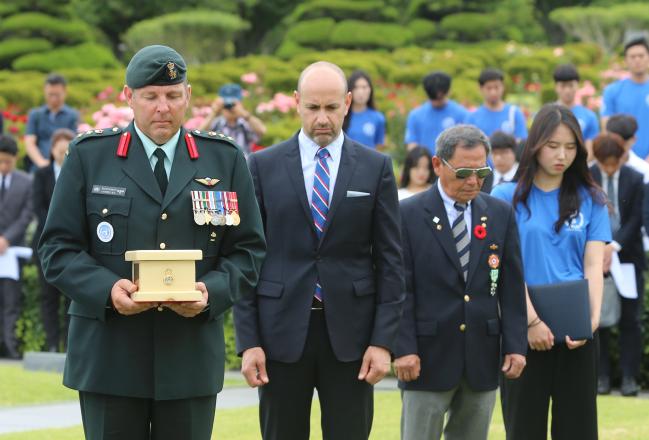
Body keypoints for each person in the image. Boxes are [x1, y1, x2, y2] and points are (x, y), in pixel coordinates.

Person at [38, 45, 266, 440]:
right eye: (151, 96)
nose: (163, 107)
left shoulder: (223, 159)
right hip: (109, 357)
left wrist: (208, 292)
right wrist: (107, 289)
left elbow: (248, 251)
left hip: (188, 360)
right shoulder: (89, 156)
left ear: (188, 96)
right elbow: (57, 249)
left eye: (173, 96)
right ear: (128, 96)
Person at [233, 61, 404, 440]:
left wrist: (382, 341)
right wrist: (249, 342)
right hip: (280, 334)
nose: (322, 118)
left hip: (353, 338)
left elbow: (392, 261)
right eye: (313, 108)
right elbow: (246, 257)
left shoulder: (376, 168)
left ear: (347, 103)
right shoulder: (262, 165)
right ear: (297, 103)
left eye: (331, 108)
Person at [395, 125, 527, 440]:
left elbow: (510, 286)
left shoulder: (499, 213)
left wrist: (515, 345)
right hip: (425, 357)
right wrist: (403, 348)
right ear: (438, 165)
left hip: (482, 356)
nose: (473, 181)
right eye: (464, 171)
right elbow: (400, 288)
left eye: (481, 171)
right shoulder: (407, 214)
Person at [492, 104, 609, 440]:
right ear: (534, 145)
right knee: (524, 426)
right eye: (553, 146)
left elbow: (592, 264)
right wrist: (531, 322)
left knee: (578, 426)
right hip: (522, 328)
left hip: (578, 330)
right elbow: (501, 269)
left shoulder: (591, 199)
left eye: (571, 147)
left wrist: (590, 322)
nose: (562, 155)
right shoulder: (505, 198)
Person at [590, 133, 645, 397]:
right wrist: (599, 247)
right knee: (596, 320)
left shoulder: (635, 178)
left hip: (628, 258)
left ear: (622, 157)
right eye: (605, 163)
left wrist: (614, 246)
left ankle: (629, 377)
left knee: (630, 320)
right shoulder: (587, 177)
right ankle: (600, 377)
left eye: (614, 163)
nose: (609, 169)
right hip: (593, 257)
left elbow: (637, 219)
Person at [33, 128, 75, 352]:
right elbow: (37, 206)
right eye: (60, 151)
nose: (63, 154)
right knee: (48, 297)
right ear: (52, 151)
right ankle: (51, 344)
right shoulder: (42, 174)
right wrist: (55, 225)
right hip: (45, 243)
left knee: (71, 298)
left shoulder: (78, 172)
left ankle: (68, 344)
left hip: (73, 245)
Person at [0, 135, 33, 359]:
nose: (3, 166)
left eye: (7, 162)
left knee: (11, 301)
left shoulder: (26, 182)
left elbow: (26, 216)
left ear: (15, 159)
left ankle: (9, 347)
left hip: (11, 252)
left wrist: (6, 239)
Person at [601, 37, 649, 160]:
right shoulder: (612, 91)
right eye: (632, 57)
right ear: (626, 61)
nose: (637, 60)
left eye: (641, 56)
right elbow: (607, 127)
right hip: (622, 160)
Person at [405, 71, 469, 154]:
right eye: (434, 99)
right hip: (426, 165)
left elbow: (467, 144)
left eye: (441, 98)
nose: (437, 102)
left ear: (449, 91)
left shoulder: (462, 114)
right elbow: (411, 144)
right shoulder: (415, 115)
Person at [24, 74, 78, 171]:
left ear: (65, 92)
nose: (53, 98)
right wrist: (42, 163)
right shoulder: (35, 114)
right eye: (50, 94)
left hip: (65, 167)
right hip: (39, 167)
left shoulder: (73, 115)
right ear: (44, 91)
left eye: (57, 95)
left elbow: (75, 143)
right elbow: (29, 143)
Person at [198, 83, 266, 156]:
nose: (229, 107)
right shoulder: (216, 123)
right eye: (226, 104)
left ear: (240, 103)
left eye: (233, 103)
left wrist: (243, 113)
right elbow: (198, 135)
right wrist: (213, 113)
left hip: (243, 165)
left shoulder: (245, 124)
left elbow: (262, 131)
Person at [465, 68, 527, 142]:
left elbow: (522, 142)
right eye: (489, 88)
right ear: (480, 89)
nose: (493, 92)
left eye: (496, 87)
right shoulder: (472, 118)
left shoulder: (514, 113)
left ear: (503, 87)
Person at [553, 64, 600, 159]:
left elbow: (590, 149)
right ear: (556, 87)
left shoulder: (589, 116)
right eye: (563, 86)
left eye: (571, 85)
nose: (567, 90)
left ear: (577, 86)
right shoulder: (546, 114)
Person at [342, 70, 386, 149]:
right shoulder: (342, 116)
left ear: (370, 90)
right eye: (356, 87)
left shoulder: (378, 118)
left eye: (364, 87)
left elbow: (378, 146)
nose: (360, 92)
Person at [606, 114, 649, 183]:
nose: (616, 147)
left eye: (621, 143)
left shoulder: (644, 171)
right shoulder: (593, 169)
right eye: (613, 142)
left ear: (633, 140)